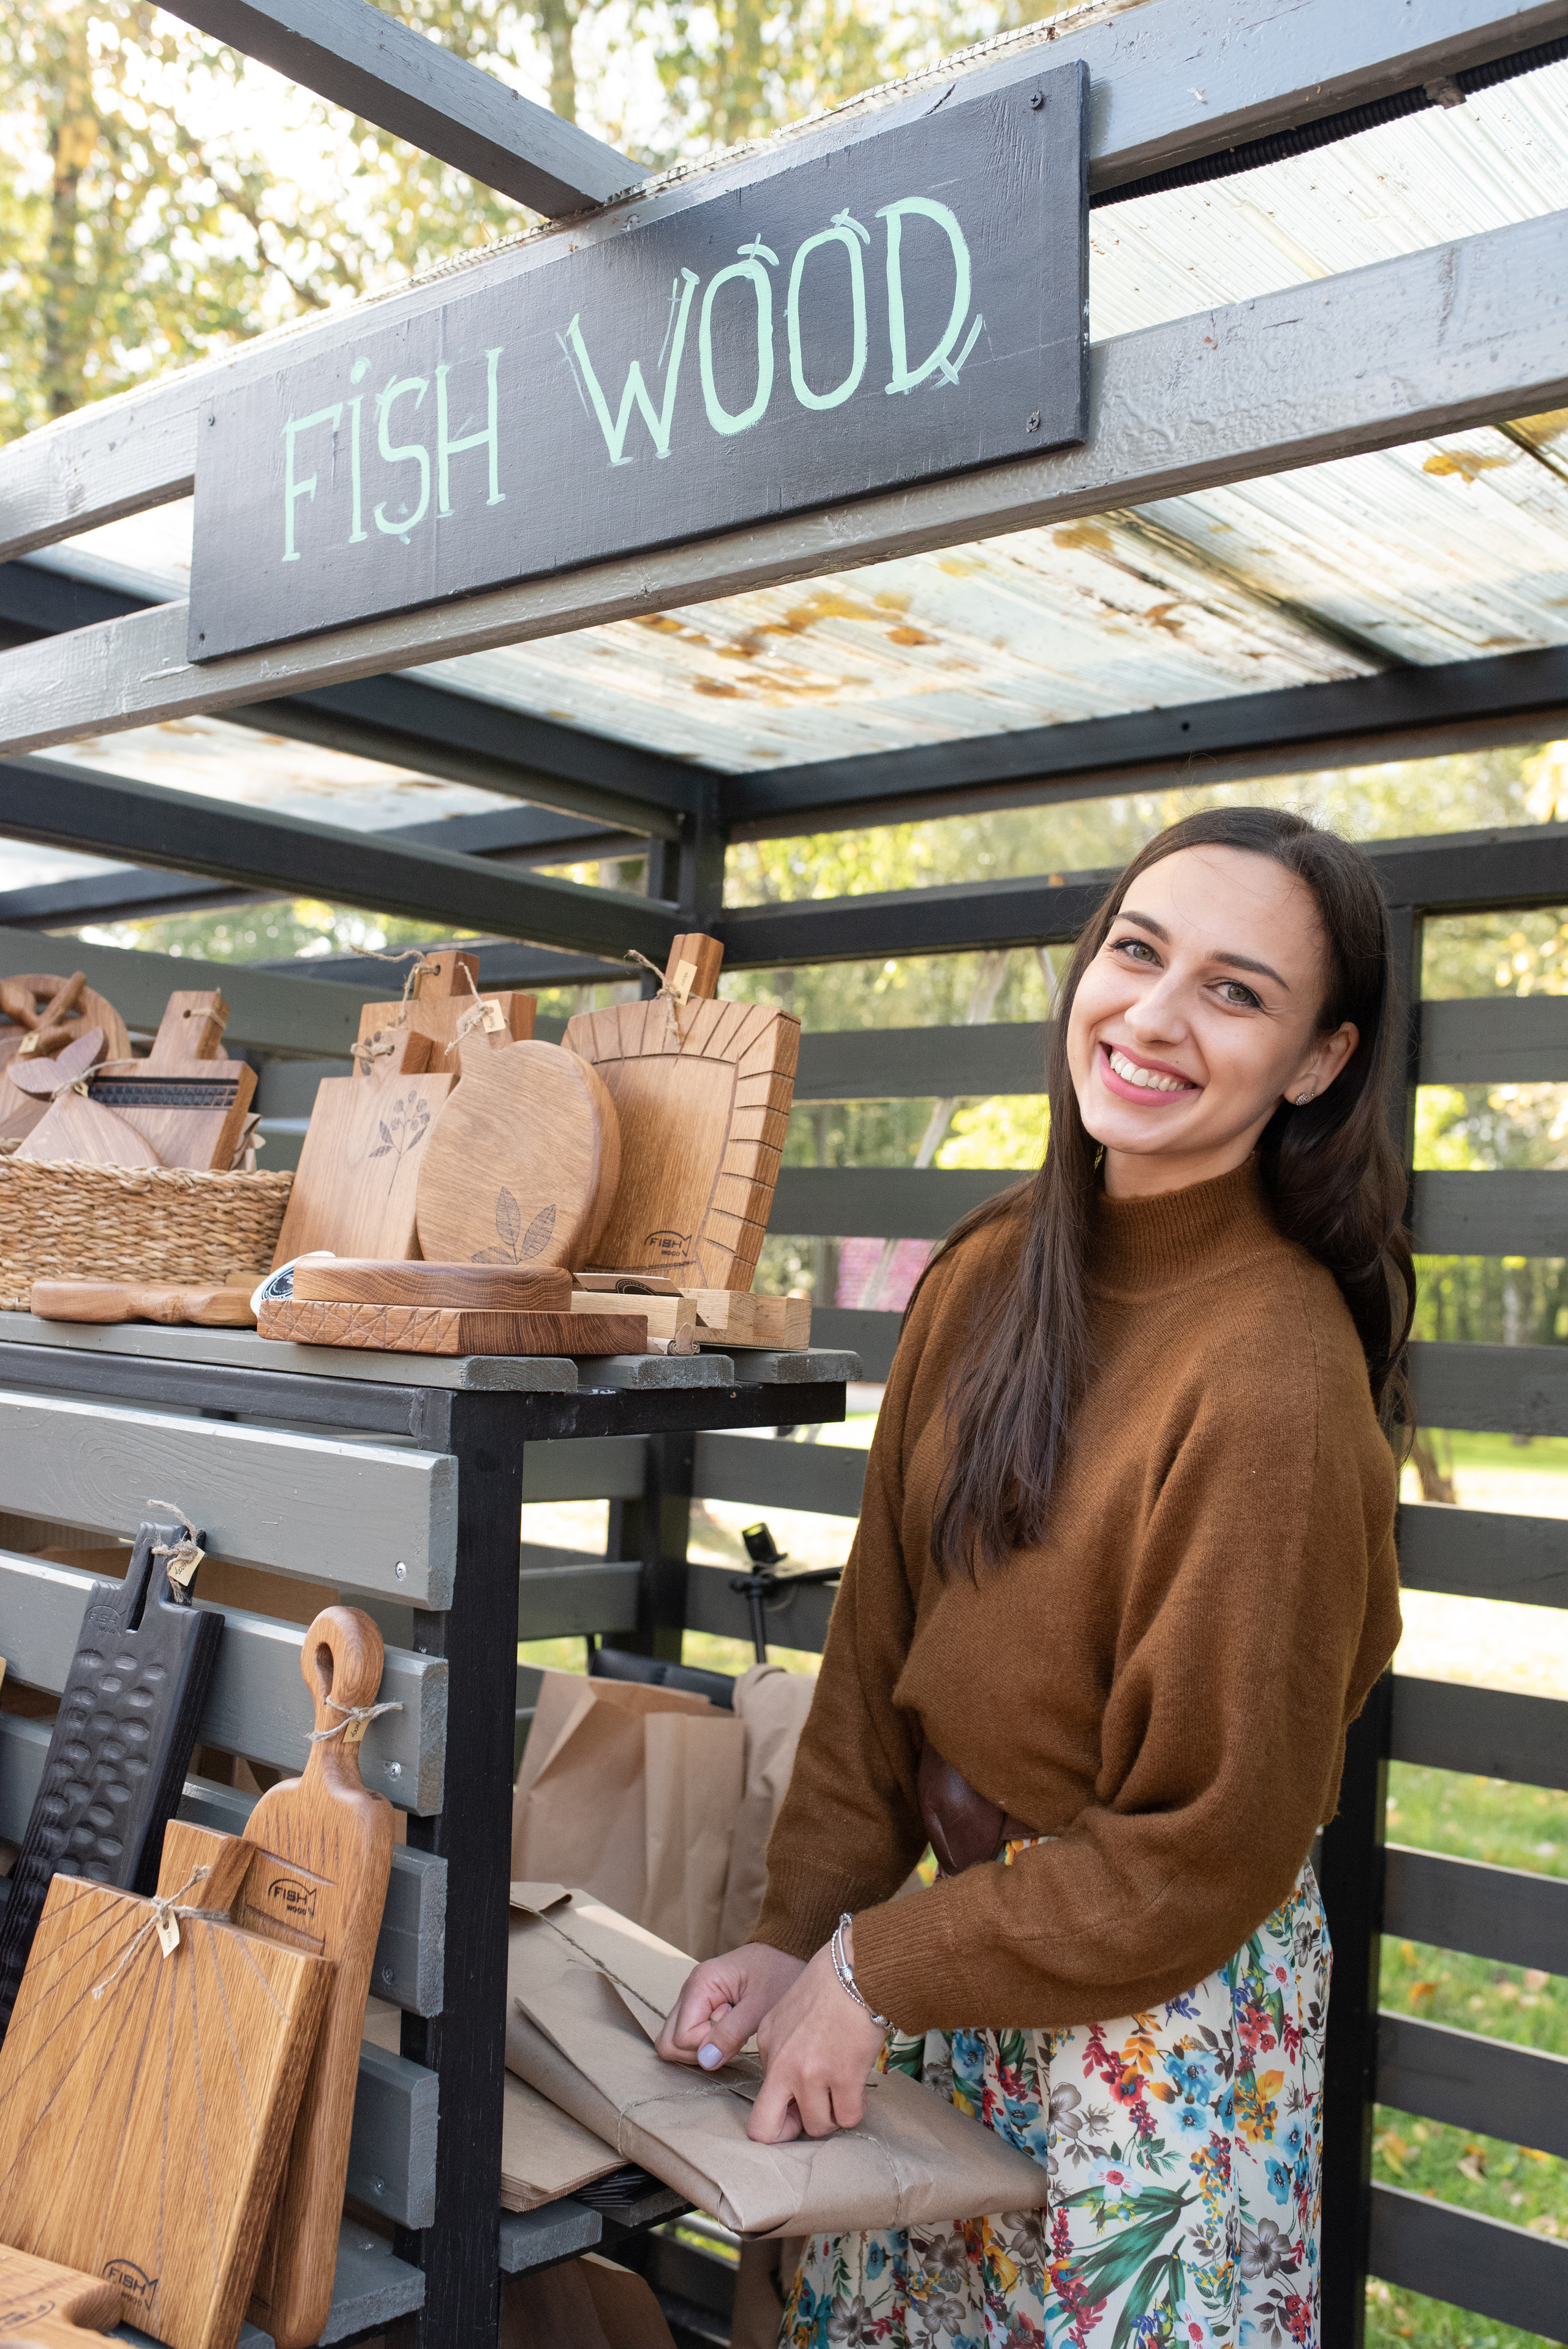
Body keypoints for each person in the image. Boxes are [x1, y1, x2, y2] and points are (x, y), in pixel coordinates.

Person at [656, 807, 1412, 2347]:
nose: (1153, 1015)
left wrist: (872, 1969)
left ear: (1317, 1060)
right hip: (946, 1978)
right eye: (1136, 953)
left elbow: (1203, 1848)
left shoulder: (1273, 1374)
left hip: (1159, 2027)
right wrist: (798, 1936)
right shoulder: (985, 1273)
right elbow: (876, 1663)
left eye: (1234, 991)